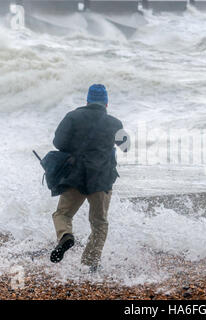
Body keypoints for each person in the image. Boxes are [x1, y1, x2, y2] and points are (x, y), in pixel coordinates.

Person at [50, 84, 128, 272]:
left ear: (87, 101)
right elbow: (126, 147)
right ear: (106, 103)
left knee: (63, 214)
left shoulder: (72, 117)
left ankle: (65, 235)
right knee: (99, 222)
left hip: (75, 176)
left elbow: (58, 143)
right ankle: (90, 263)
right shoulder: (115, 123)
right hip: (101, 179)